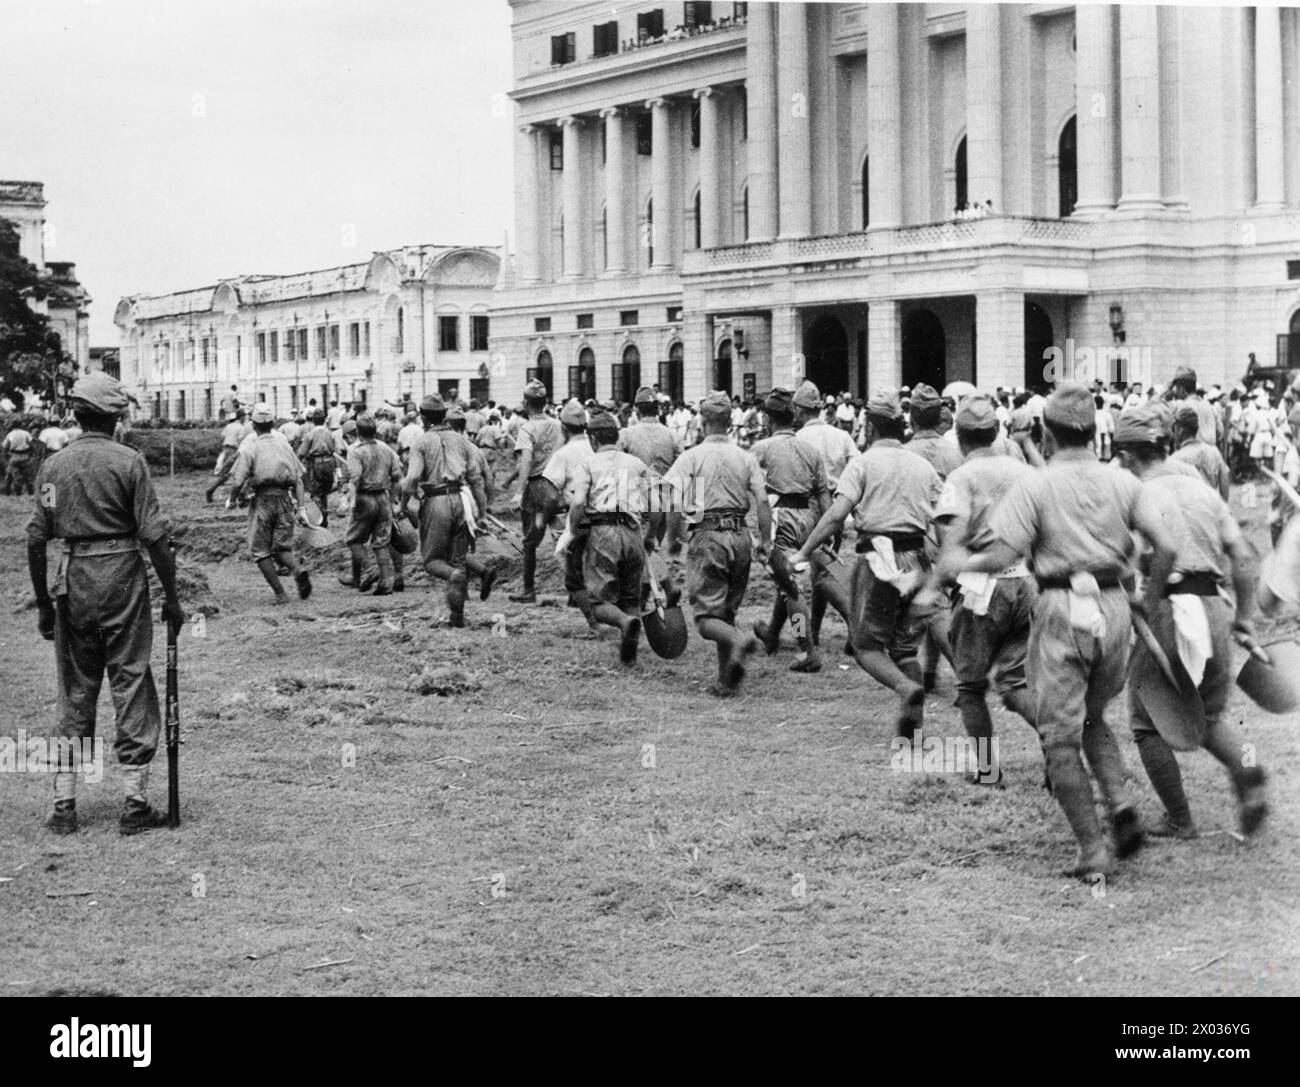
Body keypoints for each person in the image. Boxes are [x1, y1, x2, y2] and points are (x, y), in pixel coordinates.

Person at [945, 387, 1179, 879]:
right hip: (1114, 606)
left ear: (1047, 432)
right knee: (1094, 716)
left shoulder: (1037, 484)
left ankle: (1092, 851)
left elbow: (1004, 554)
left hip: (1060, 604)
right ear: (1095, 431)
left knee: (1059, 738)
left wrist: (958, 564)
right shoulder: (1123, 483)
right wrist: (1148, 597)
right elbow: (1168, 546)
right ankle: (1119, 805)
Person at [26, 372, 185, 835]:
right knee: (131, 678)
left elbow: (37, 539)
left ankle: (64, 805)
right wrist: (172, 598)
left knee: (75, 686)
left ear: (75, 415)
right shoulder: (130, 462)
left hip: (72, 581)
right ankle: (135, 804)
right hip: (122, 579)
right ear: (116, 418)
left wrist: (42, 603)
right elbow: (154, 536)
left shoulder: (53, 467)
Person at [1111, 406, 1268, 840]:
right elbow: (1244, 557)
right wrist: (1244, 619)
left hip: (1168, 608)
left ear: (1126, 455)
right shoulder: (1201, 491)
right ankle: (1249, 773)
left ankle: (1180, 819)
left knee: (1146, 723)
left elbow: (1145, 557)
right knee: (1211, 716)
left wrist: (1147, 596)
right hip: (1214, 606)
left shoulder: (1134, 493)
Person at [793, 388, 942, 738]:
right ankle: (913, 733)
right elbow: (941, 522)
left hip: (878, 558)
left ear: (872, 429)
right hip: (917, 558)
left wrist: (803, 552)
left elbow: (835, 515)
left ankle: (906, 690)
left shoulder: (863, 463)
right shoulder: (923, 467)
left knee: (866, 646)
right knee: (905, 649)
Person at [932, 395, 1039, 785]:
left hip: (982, 587)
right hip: (1026, 582)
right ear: (996, 433)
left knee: (971, 684)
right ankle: (1058, 745)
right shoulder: (1022, 470)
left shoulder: (962, 477)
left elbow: (951, 536)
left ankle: (987, 769)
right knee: (1018, 681)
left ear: (959, 437)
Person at [663, 391, 770, 695]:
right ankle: (726, 682)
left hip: (708, 533)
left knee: (706, 618)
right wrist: (765, 541)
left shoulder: (691, 456)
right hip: (740, 536)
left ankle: (740, 641)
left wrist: (672, 539)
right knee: (727, 613)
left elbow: (671, 499)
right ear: (728, 420)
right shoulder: (745, 457)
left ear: (704, 420)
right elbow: (762, 500)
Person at [558, 410, 651, 665]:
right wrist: (651, 535)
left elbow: (577, 502)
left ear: (592, 439)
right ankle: (629, 651)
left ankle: (624, 622)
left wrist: (575, 531)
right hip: (632, 531)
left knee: (598, 603)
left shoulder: (587, 465)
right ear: (617, 436)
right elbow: (655, 503)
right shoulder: (636, 463)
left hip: (602, 531)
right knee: (631, 598)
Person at [749, 387, 828, 673]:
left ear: (769, 419)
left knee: (789, 588)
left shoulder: (762, 448)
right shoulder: (811, 450)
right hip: (808, 518)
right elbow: (824, 497)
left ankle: (806, 649)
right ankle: (772, 633)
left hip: (780, 518)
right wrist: (827, 531)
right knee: (786, 581)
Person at [400, 393, 487, 628]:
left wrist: (402, 503)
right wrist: (483, 512)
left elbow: (413, 477)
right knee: (458, 560)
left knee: (432, 561)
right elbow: (476, 478)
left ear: (424, 418)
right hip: (461, 499)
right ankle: (456, 618)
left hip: (436, 500)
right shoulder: (462, 441)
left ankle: (454, 578)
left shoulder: (422, 441)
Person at [229, 404, 313, 604]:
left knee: (260, 551)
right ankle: (297, 569)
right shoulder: (284, 446)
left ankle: (281, 594)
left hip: (263, 500)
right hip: (285, 499)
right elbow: (299, 479)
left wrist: (232, 499)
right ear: (273, 423)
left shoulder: (251, 448)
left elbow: (238, 481)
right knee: (281, 547)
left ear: (253, 424)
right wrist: (301, 508)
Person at [542, 399, 598, 627]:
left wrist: (543, 518)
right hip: (609, 515)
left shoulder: (563, 454)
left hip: (579, 516)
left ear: (563, 428)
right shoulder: (597, 448)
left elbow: (550, 495)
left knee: (574, 574)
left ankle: (594, 623)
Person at [506, 380, 563, 604]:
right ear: (545, 402)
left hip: (537, 488)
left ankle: (528, 590)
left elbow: (526, 462)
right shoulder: (558, 425)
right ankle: (577, 591)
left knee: (530, 541)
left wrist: (519, 491)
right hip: (557, 486)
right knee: (562, 537)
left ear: (525, 403)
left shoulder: (527, 428)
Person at [337, 413, 403, 595]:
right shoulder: (386, 448)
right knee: (381, 542)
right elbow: (398, 478)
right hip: (383, 496)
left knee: (353, 539)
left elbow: (355, 478)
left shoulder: (355, 451)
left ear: (357, 432)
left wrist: (349, 501)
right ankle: (387, 582)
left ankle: (369, 569)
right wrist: (392, 501)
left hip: (364, 498)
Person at [447, 404, 500, 601]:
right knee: (463, 546)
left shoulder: (451, 447)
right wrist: (485, 507)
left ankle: (476, 578)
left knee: (453, 548)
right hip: (474, 500)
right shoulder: (475, 448)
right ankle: (467, 588)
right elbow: (489, 480)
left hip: (458, 498)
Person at [1169, 403, 1230, 501]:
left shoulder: (1176, 459)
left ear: (1180, 430)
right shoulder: (1214, 452)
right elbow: (1224, 481)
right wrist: (1223, 505)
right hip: (1211, 505)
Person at [299, 409, 339, 526]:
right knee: (325, 493)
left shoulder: (310, 435)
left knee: (315, 493)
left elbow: (301, 453)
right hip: (328, 464)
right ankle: (324, 520)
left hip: (316, 465)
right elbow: (332, 450)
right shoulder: (330, 434)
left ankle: (317, 521)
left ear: (313, 421)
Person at [206, 408, 249, 503]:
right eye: (244, 416)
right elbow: (241, 441)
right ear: (241, 417)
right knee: (235, 473)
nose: (245, 418)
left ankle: (212, 490)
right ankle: (240, 495)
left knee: (226, 474)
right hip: (234, 450)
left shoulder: (229, 426)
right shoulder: (241, 428)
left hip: (225, 449)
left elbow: (223, 437)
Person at [3, 421, 36, 495]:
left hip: (14, 456)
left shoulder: (10, 434)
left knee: (15, 475)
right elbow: (32, 444)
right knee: (28, 475)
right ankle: (31, 492)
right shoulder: (26, 433)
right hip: (25, 455)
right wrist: (32, 453)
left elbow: (5, 446)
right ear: (21, 425)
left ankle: (18, 493)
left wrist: (6, 455)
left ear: (13, 426)